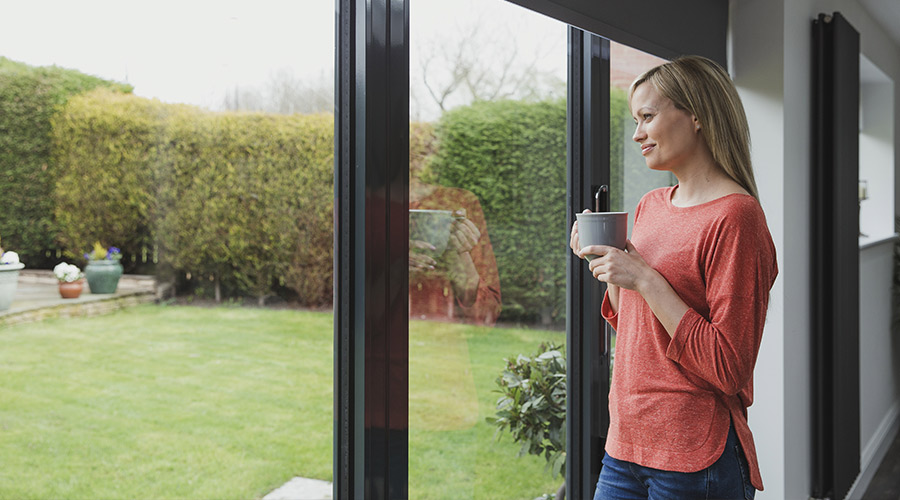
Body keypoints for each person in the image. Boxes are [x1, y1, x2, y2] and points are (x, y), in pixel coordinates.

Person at [569, 55, 777, 499]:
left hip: (692, 456)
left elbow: (728, 366)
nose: (637, 133)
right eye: (635, 119)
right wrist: (609, 264)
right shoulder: (651, 205)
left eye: (647, 116)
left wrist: (646, 278)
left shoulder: (737, 217)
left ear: (697, 115)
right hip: (625, 445)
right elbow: (636, 330)